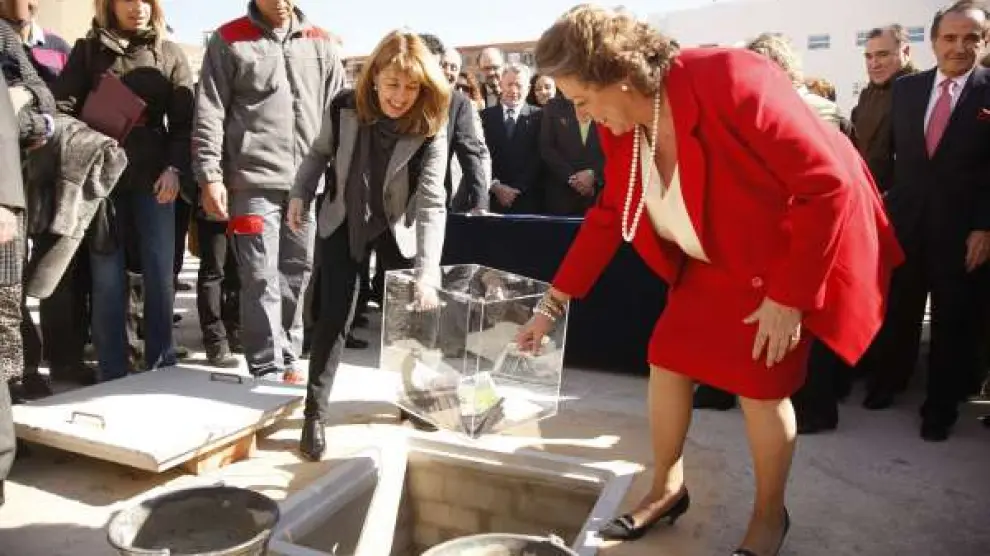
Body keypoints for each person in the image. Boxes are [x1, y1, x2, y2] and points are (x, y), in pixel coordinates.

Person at [517, 6, 902, 555]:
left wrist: (789, 298)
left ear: (619, 77)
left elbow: (826, 185)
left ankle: (769, 518)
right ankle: (667, 489)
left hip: (785, 253)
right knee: (666, 358)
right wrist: (551, 305)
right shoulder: (619, 125)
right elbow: (609, 214)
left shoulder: (730, 77)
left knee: (760, 388)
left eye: (582, 99)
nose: (581, 113)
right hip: (712, 258)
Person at [287, 30, 450, 461]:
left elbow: (432, 202)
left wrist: (427, 273)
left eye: (411, 86)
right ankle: (314, 414)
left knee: (412, 318)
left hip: (398, 225)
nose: (400, 96)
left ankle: (413, 401)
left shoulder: (431, 123)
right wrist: (300, 192)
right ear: (374, 76)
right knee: (334, 316)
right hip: (344, 218)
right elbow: (319, 152)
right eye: (392, 83)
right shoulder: (343, 105)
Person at [194, 0, 345, 382]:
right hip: (252, 184)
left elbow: (340, 112)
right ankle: (267, 366)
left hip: (306, 185)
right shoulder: (229, 40)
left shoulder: (321, 42)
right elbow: (209, 111)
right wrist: (210, 175)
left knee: (298, 273)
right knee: (260, 275)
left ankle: (289, 358)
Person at [53, 0, 193, 382]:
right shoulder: (88, 51)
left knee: (160, 274)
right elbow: (62, 108)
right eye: (128, 0)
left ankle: (161, 363)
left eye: (146, 0)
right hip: (102, 180)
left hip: (156, 179)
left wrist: (174, 169)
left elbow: (185, 123)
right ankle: (112, 369)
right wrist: (89, 135)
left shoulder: (169, 52)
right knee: (107, 278)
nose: (137, 8)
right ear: (109, 5)